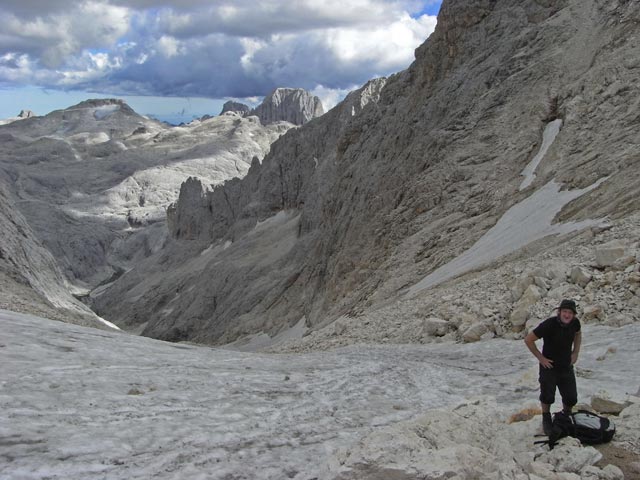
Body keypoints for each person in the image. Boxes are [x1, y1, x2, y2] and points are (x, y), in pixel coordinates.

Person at [524, 299, 582, 435]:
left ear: (573, 315)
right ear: (559, 312)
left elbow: (578, 334)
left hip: (566, 365)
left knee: (571, 397)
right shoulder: (549, 324)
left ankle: (566, 413)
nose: (567, 315)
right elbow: (528, 339)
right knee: (547, 395)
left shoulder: (575, 323)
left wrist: (576, 352)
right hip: (549, 366)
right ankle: (546, 417)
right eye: (565, 312)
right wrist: (541, 358)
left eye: (570, 313)